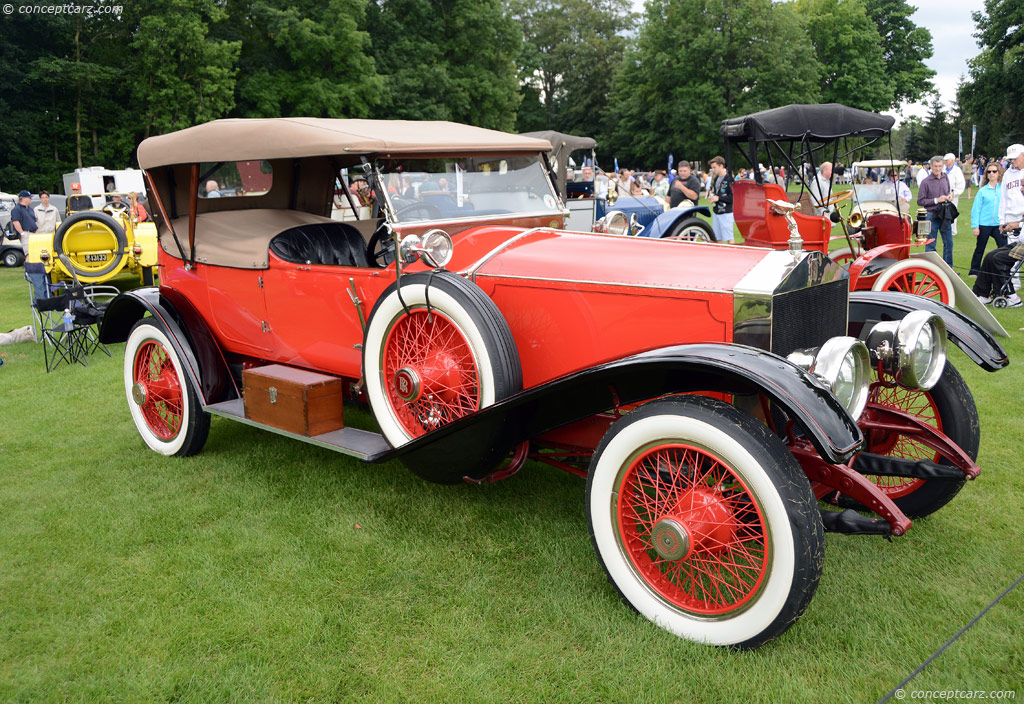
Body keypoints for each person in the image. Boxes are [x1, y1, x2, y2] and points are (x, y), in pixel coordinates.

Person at [918, 155, 955, 266]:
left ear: (943, 166)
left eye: (939, 166)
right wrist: (936, 200)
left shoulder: (945, 178)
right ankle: (931, 269)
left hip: (945, 213)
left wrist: (949, 196)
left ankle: (948, 269)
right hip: (931, 215)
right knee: (930, 244)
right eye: (935, 166)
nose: (938, 169)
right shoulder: (926, 182)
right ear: (931, 166)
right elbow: (920, 201)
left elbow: (948, 191)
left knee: (949, 243)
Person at [11, 190, 48, 301]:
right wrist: (21, 232)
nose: (31, 199)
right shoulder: (17, 209)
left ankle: (34, 269)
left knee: (36, 253)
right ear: (23, 198)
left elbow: (34, 220)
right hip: (26, 233)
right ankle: (28, 271)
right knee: (29, 253)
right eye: (29, 197)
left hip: (33, 233)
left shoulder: (30, 209)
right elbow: (15, 221)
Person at [969, 162, 1005, 275]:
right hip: (984, 224)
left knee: (1003, 248)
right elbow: (976, 210)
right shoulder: (982, 191)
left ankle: (1003, 270)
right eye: (989, 172)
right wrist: (975, 226)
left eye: (994, 171)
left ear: (999, 173)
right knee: (980, 248)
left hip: (998, 224)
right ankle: (974, 271)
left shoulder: (1003, 189)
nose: (992, 174)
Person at [707, 156, 734, 243]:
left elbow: (732, 197)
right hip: (716, 211)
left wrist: (718, 198)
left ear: (721, 166)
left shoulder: (729, 178)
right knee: (718, 238)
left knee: (729, 238)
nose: (713, 170)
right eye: (712, 168)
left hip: (726, 213)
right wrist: (712, 197)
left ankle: (732, 255)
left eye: (714, 167)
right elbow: (716, 193)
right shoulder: (716, 179)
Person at [943, 153, 966, 236]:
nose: (945, 162)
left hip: (953, 196)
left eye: (947, 160)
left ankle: (953, 231)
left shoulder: (957, 170)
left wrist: (954, 194)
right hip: (943, 195)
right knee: (942, 213)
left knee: (952, 212)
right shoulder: (943, 170)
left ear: (952, 161)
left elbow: (961, 185)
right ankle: (944, 229)